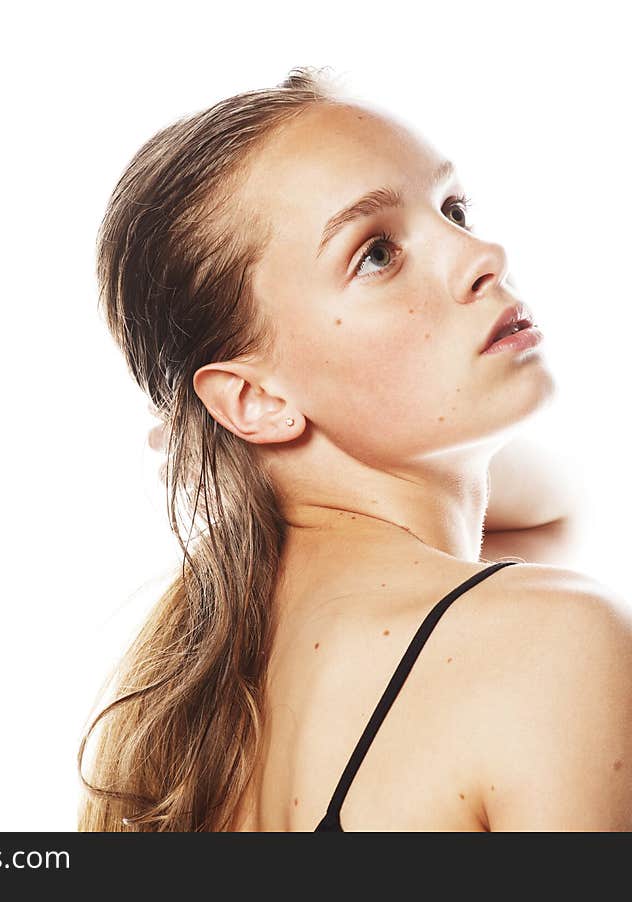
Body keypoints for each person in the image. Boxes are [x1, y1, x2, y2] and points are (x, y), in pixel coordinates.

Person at [77, 66, 632, 831]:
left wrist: (237, 449)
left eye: (454, 208)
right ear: (255, 398)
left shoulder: (175, 729)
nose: (485, 254)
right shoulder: (548, 642)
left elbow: (565, 508)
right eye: (376, 253)